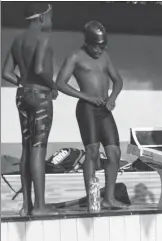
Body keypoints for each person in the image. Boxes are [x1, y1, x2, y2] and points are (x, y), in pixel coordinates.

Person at [55, 21, 128, 209]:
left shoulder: (105, 57)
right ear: (87, 42)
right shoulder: (75, 57)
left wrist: (112, 98)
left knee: (115, 153)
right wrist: (85, 96)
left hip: (104, 109)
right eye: (96, 47)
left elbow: (118, 80)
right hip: (87, 109)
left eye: (103, 46)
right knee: (92, 152)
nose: (99, 51)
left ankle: (109, 198)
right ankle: (92, 198)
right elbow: (60, 83)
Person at [1, 3, 58, 216]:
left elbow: (5, 72)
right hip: (40, 96)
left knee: (26, 148)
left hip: (22, 95)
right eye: (51, 16)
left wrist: (22, 82)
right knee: (38, 148)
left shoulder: (17, 40)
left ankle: (27, 205)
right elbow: (41, 69)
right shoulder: (43, 37)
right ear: (42, 17)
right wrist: (52, 86)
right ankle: (41, 206)